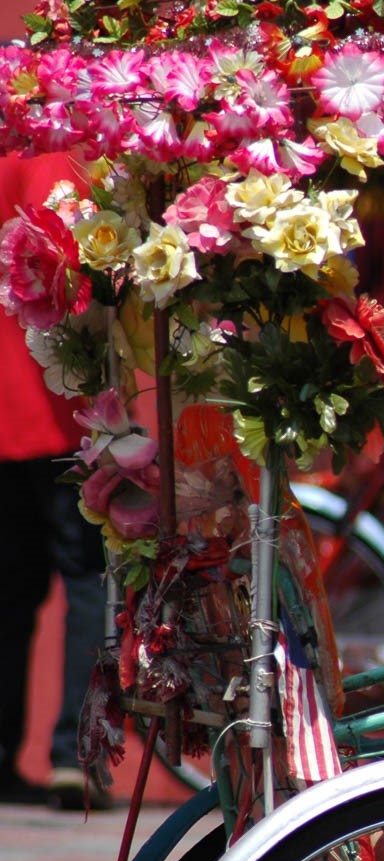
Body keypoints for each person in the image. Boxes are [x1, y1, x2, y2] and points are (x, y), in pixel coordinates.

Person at [0, 153, 111, 811]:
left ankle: (3, 748)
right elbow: (61, 246)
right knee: (87, 579)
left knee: (9, 590)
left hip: (11, 407)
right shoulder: (42, 146)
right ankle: (75, 752)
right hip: (49, 403)